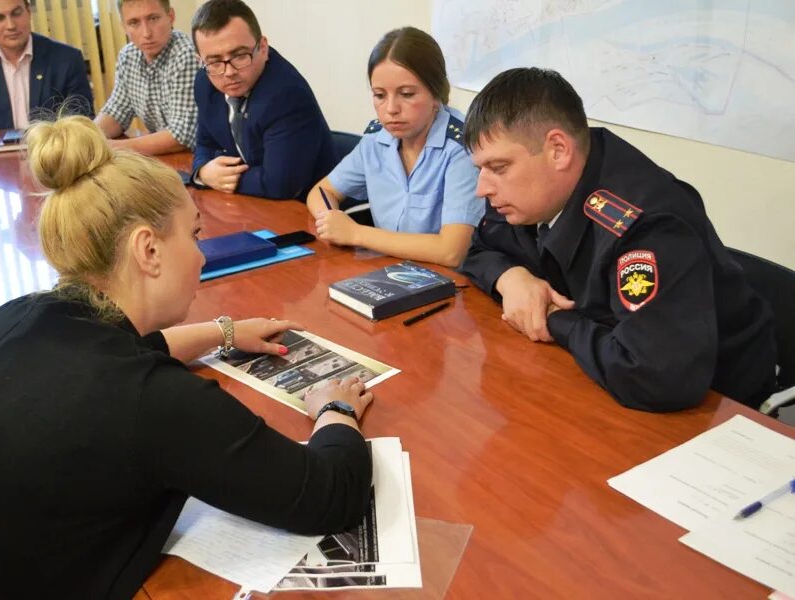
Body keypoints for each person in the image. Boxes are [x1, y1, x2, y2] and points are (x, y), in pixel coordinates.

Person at [0, 116, 373, 598]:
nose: (203, 256)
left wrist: (224, 331)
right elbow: (331, 496)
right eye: (195, 235)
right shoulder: (151, 399)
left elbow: (128, 351)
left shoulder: (22, 314)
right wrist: (335, 408)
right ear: (148, 250)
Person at [459, 67, 777, 412]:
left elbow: (654, 376)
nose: (482, 188)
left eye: (499, 168)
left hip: (715, 407)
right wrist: (513, 279)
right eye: (480, 169)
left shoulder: (645, 226)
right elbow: (478, 249)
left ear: (558, 150)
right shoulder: (529, 196)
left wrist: (551, 317)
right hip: (594, 375)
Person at [306, 27, 483, 268]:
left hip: (451, 283)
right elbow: (322, 191)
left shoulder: (462, 147)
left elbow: (451, 251)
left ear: (436, 93)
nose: (391, 109)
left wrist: (355, 233)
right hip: (387, 271)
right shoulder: (377, 139)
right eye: (379, 95)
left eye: (407, 94)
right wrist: (331, 221)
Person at [190, 0, 335, 200]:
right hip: (251, 203)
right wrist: (203, 172)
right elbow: (205, 144)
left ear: (263, 48)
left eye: (240, 55)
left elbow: (279, 184)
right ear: (201, 61)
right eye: (214, 61)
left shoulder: (286, 94)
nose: (229, 72)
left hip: (304, 211)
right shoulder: (205, 83)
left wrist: (221, 178)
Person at [0, 0, 93, 135]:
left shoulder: (66, 59)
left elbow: (80, 127)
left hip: (54, 156)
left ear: (28, 11)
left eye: (16, 13)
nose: (10, 25)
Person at [96, 0, 198, 155]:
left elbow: (181, 136)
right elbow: (116, 112)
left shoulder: (185, 55)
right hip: (165, 158)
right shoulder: (128, 56)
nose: (146, 33)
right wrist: (87, 138)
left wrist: (110, 148)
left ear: (171, 16)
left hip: (199, 159)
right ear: (123, 26)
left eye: (153, 18)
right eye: (134, 23)